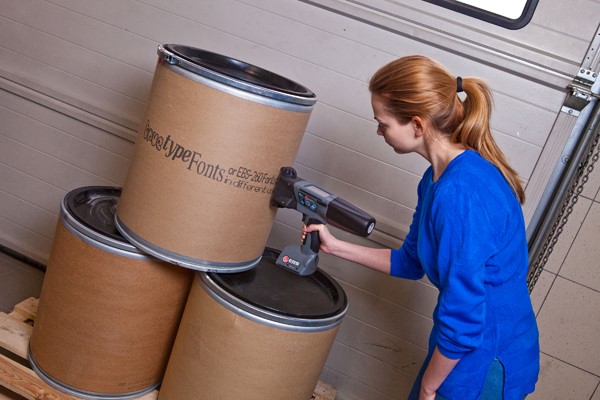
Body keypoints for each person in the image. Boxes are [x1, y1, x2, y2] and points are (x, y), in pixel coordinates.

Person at [302, 55, 540, 400]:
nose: (379, 132)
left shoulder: (458, 194)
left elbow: (464, 319)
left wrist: (429, 385)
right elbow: (410, 262)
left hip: (483, 355)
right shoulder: (435, 178)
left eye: (383, 124)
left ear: (417, 125)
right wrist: (335, 245)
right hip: (459, 346)